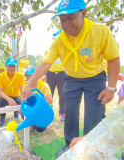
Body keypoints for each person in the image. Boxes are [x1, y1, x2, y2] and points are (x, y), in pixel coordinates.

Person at [23, 0, 120, 157]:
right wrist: (30, 84)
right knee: (70, 113)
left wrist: (111, 87)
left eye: (71, 18)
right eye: (62, 20)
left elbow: (113, 59)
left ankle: (90, 149)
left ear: (83, 13)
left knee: (93, 115)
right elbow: (45, 64)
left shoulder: (100, 31)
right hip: (71, 78)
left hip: (95, 78)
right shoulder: (59, 40)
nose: (66, 24)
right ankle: (69, 146)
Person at [0, 58, 25, 127]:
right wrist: (9, 99)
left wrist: (23, 101)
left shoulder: (20, 76)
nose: (11, 68)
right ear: (6, 66)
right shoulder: (0, 76)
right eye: (9, 66)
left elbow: (22, 91)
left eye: (13, 66)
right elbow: (0, 92)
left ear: (16, 67)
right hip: (5, 97)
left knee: (20, 102)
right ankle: (2, 116)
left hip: (16, 96)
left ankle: (16, 114)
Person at [23, 68, 52, 132]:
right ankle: (32, 124)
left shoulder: (44, 85)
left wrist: (47, 98)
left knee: (40, 129)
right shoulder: (25, 87)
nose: (29, 79)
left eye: (32, 76)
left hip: (42, 110)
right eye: (27, 77)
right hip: (32, 110)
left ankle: (38, 123)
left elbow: (51, 100)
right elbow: (23, 101)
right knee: (23, 112)